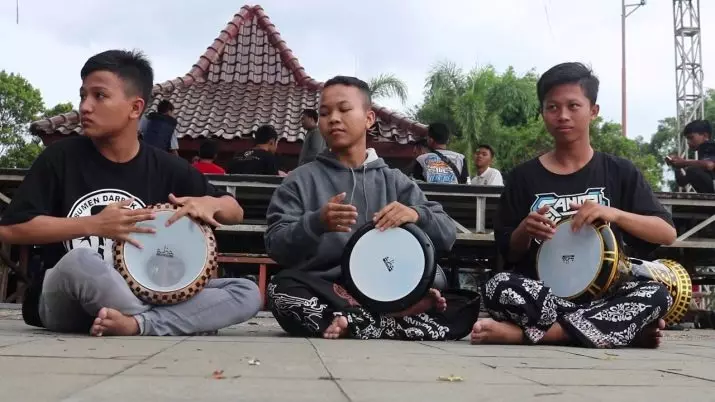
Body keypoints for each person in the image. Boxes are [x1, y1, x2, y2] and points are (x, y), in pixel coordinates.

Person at [0, 50, 261, 337]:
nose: (85, 106)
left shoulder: (166, 166)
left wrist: (210, 203)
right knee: (80, 262)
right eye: (82, 95)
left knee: (245, 291)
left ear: (135, 108)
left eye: (99, 96)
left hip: (147, 293)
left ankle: (137, 324)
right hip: (68, 298)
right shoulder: (60, 157)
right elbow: (11, 229)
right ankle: (167, 322)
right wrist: (92, 225)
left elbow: (235, 210)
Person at [471, 62, 676, 349]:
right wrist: (524, 231)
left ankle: (539, 334)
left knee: (657, 293)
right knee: (498, 287)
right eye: (552, 107)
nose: (562, 116)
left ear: (593, 111)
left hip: (607, 294)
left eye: (573, 106)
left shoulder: (619, 171)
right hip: (543, 295)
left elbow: (666, 232)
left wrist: (613, 213)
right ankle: (610, 330)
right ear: (542, 112)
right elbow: (509, 250)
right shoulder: (522, 177)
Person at [264, 76, 480, 341]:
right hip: (329, 289)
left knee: (462, 302)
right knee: (281, 291)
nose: (332, 118)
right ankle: (385, 321)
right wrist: (315, 223)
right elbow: (275, 245)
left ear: (368, 119)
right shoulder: (299, 180)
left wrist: (416, 214)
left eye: (344, 110)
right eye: (324, 113)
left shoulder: (395, 180)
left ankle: (357, 322)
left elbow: (447, 234)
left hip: (392, 289)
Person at [666, 119, 715, 193]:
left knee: (692, 170)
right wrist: (676, 165)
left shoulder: (710, 146)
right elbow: (682, 182)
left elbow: (709, 165)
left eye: (691, 137)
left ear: (705, 136)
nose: (688, 142)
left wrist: (684, 162)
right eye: (687, 139)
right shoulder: (702, 152)